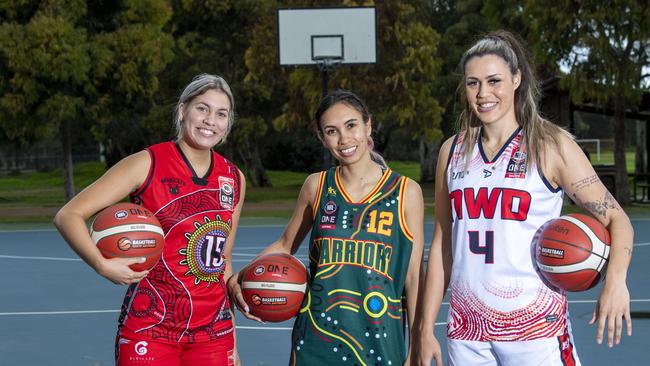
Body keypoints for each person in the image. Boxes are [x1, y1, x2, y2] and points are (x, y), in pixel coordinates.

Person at [417, 30, 634, 366]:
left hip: (535, 329)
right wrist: (424, 327)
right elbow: (444, 242)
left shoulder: (550, 144)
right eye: (473, 83)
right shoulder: (453, 150)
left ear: (516, 79)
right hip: (467, 332)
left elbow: (616, 218)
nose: (483, 93)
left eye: (494, 81)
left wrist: (616, 282)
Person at [54, 74, 246, 366]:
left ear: (228, 123)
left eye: (221, 114)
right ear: (183, 111)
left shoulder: (234, 178)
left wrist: (232, 338)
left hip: (213, 334)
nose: (210, 120)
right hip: (151, 328)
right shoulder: (147, 163)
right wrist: (101, 264)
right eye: (202, 108)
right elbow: (69, 214)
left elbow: (223, 261)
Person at [228, 89, 424, 365]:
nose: (344, 139)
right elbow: (285, 244)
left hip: (380, 342)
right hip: (316, 339)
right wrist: (245, 275)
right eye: (331, 131)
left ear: (368, 123)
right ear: (322, 138)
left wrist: (417, 344)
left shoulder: (405, 192)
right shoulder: (317, 186)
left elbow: (413, 277)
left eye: (351, 125)